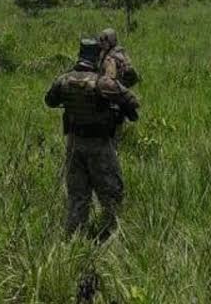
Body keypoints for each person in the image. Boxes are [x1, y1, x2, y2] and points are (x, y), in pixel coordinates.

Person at [45, 38, 140, 241]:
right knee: (111, 194)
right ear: (97, 56)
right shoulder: (101, 83)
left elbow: (50, 101)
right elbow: (132, 101)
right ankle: (110, 239)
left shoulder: (63, 80)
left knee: (78, 197)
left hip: (74, 145)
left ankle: (73, 240)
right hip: (99, 146)